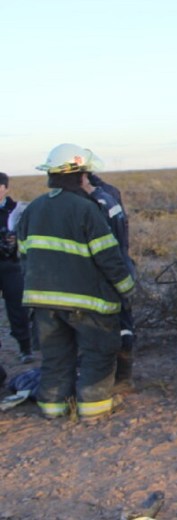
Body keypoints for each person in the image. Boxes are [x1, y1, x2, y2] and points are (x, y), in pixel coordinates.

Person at [17, 143, 135, 420]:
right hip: (87, 302)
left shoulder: (33, 209)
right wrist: (126, 288)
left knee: (56, 357)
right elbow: (108, 256)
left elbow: (23, 255)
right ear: (81, 176)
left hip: (42, 303)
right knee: (99, 352)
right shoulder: (86, 209)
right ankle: (94, 410)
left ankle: (53, 408)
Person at [87, 173, 136, 392]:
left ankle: (113, 380)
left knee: (108, 327)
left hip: (106, 271)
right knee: (123, 324)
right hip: (120, 265)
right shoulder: (110, 193)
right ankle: (122, 378)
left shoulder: (94, 200)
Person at [0, 172, 34, 364]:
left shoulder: (17, 210)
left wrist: (14, 241)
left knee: (17, 308)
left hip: (12, 265)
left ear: (6, 188)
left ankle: (25, 348)